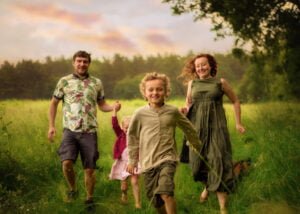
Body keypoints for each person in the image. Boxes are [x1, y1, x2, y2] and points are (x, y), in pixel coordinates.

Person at [47, 50, 121, 206]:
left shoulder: (96, 83)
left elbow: (102, 105)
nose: (82, 64)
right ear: (74, 63)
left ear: (89, 63)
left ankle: (89, 199)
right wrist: (51, 126)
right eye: (79, 61)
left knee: (89, 169)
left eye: (85, 61)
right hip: (70, 130)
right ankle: (73, 189)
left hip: (89, 131)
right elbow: (53, 103)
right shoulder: (64, 81)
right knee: (66, 163)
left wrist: (113, 107)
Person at [126, 72, 202, 214]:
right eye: (151, 89)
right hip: (148, 162)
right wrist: (132, 160)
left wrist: (195, 144)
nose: (155, 92)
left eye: (159, 89)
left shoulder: (172, 111)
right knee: (155, 200)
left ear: (166, 91)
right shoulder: (139, 114)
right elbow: (132, 137)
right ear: (145, 92)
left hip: (168, 159)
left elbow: (188, 128)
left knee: (166, 192)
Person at [179, 53, 246, 214]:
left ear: (211, 66)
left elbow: (235, 101)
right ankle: (208, 187)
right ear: (195, 69)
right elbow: (188, 103)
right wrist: (184, 110)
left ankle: (223, 207)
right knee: (197, 164)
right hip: (196, 128)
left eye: (204, 64)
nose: (201, 68)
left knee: (218, 161)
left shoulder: (220, 83)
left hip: (217, 127)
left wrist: (238, 123)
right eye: (198, 66)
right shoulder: (192, 84)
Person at [109, 105, 141, 209]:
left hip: (134, 162)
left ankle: (137, 203)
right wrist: (114, 111)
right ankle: (124, 194)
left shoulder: (137, 136)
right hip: (123, 162)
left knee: (135, 181)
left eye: (131, 127)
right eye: (126, 127)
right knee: (124, 185)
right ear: (123, 128)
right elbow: (114, 125)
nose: (128, 129)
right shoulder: (120, 135)